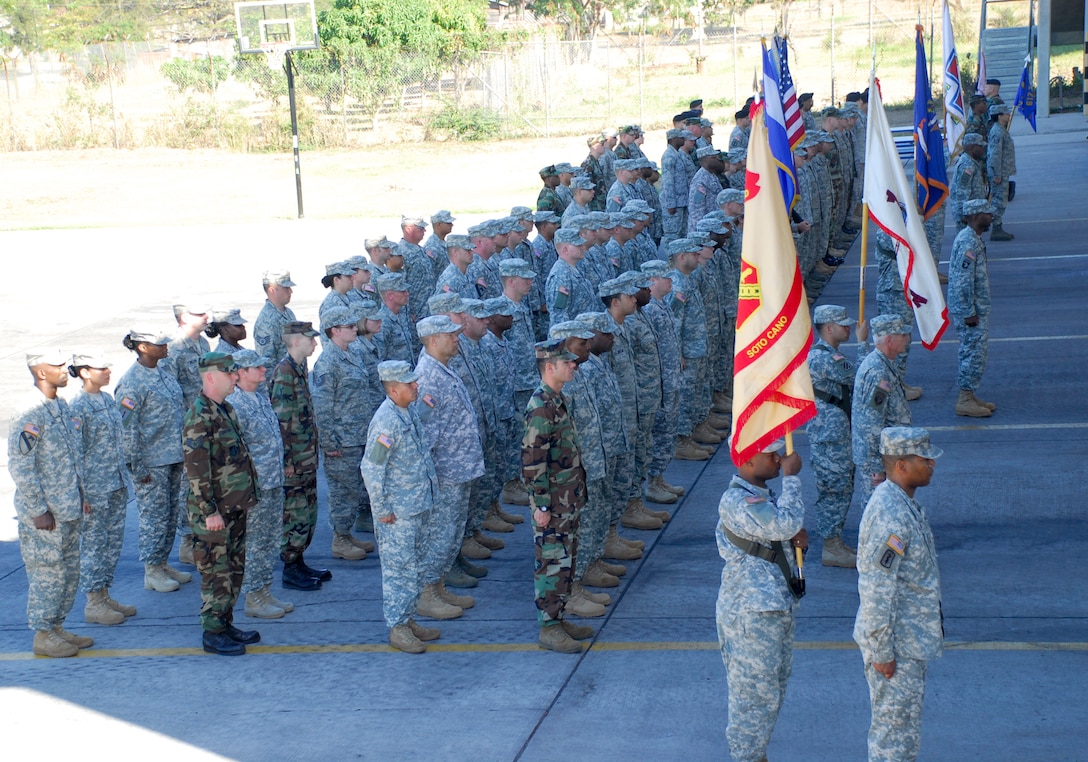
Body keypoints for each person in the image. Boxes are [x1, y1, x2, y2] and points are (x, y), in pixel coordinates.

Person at [855, 426, 944, 762]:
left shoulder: (903, 504)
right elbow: (876, 587)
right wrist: (881, 651)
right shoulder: (891, 515)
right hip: (896, 647)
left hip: (909, 641)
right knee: (893, 739)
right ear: (901, 466)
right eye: (925, 460)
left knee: (903, 736)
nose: (932, 464)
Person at [715, 438, 808, 762]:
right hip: (751, 613)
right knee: (754, 698)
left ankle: (754, 754)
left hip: (771, 608)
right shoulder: (738, 500)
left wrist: (797, 543)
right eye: (769, 452)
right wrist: (792, 478)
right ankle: (747, 757)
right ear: (747, 461)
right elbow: (784, 523)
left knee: (770, 692)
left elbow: (781, 534)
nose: (778, 456)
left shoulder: (760, 497)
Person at [8, 350, 92, 657]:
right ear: (41, 372)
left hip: (68, 507)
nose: (63, 370)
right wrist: (37, 509)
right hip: (47, 514)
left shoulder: (59, 405)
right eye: (56, 366)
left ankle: (57, 627)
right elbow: (21, 464)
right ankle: (43, 634)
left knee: (68, 572)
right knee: (47, 572)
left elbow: (71, 458)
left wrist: (81, 496)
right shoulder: (30, 411)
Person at [361, 360, 442, 653]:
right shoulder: (386, 421)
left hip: (418, 505)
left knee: (416, 568)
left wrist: (428, 405)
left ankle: (408, 620)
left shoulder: (406, 412)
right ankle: (397, 627)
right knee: (400, 571)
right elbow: (371, 468)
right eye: (410, 384)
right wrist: (381, 508)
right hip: (398, 514)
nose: (416, 386)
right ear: (394, 389)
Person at [183, 352, 260, 656]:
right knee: (216, 573)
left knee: (233, 569)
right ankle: (212, 632)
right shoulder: (199, 416)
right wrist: (209, 511)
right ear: (212, 377)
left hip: (233, 507)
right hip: (214, 514)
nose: (235, 378)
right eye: (230, 374)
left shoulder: (224, 409)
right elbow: (197, 470)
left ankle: (225, 622)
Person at [523, 338, 596, 653]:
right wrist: (541, 502)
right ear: (550, 367)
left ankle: (558, 616)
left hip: (567, 498)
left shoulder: (556, 399)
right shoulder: (541, 404)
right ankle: (549, 627)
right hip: (553, 502)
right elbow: (532, 458)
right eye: (568, 362)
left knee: (565, 559)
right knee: (552, 562)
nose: (574, 365)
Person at [413, 314, 482, 614]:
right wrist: (431, 478)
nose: (457, 338)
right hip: (445, 473)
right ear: (433, 340)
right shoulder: (427, 378)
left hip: (459, 469)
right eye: (450, 334)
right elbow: (424, 435)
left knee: (452, 533)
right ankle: (427, 594)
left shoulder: (443, 370)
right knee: (439, 534)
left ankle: (438, 586)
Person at [115, 329, 191, 593]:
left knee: (171, 515)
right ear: (143, 347)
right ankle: (151, 570)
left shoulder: (163, 374)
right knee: (154, 517)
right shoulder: (132, 382)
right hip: (151, 462)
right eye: (160, 343)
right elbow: (127, 429)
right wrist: (137, 466)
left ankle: (162, 562)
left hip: (173, 457)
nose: (166, 346)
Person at [69, 353, 135, 626]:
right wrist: (81, 492)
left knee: (111, 544)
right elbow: (75, 452)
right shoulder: (78, 407)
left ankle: (105, 594)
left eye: (109, 367)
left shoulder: (107, 400)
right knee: (95, 546)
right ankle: (93, 602)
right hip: (95, 488)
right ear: (85, 372)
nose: (108, 371)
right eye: (101, 368)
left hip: (115, 483)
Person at [228, 350, 293, 619]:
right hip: (254, 486)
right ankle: (253, 595)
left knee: (269, 539)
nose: (263, 371)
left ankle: (265, 590)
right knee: (255, 542)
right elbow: (235, 451)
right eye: (256, 368)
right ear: (240, 372)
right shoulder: (235, 404)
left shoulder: (260, 396)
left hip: (273, 480)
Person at [312, 307, 377, 561]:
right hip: (342, 441)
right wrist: (329, 442)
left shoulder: (352, 354)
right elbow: (322, 406)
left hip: (358, 434)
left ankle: (347, 534)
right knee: (343, 491)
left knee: (355, 488)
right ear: (334, 331)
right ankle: (339, 538)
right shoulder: (328, 363)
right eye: (349, 326)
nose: (354, 328)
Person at [807, 305, 870, 568]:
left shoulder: (831, 355)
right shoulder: (824, 358)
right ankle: (831, 547)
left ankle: (836, 542)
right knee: (834, 490)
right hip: (830, 438)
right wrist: (863, 343)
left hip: (835, 434)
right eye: (843, 324)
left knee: (841, 488)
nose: (848, 327)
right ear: (828, 328)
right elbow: (864, 377)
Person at [270, 321, 329, 591]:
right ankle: (291, 568)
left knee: (307, 512)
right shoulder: (284, 373)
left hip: (305, 458)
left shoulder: (298, 368)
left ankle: (299, 561)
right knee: (295, 514)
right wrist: (288, 462)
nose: (314, 343)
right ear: (296, 341)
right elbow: (282, 421)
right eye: (310, 339)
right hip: (295, 461)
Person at [852, 315, 913, 505]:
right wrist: (877, 466)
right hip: (881, 459)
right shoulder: (878, 372)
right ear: (889, 340)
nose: (907, 339)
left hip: (888, 455)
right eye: (903, 335)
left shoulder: (883, 364)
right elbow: (871, 421)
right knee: (879, 508)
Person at [949, 199, 997, 418]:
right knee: (973, 353)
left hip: (974, 307)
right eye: (988, 213)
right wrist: (969, 312)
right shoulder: (968, 242)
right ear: (977, 216)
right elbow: (962, 280)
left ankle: (970, 394)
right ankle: (965, 399)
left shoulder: (972, 239)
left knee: (976, 352)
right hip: (970, 311)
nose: (992, 217)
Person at [253, 269, 298, 368]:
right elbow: (267, 362)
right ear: (272, 290)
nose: (291, 291)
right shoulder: (266, 320)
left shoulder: (288, 313)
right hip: (282, 381)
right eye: (286, 288)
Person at [986, 104, 1016, 241]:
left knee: (1000, 201)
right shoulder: (997, 132)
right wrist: (997, 174)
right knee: (999, 202)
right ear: (999, 116)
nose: (1008, 115)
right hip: (999, 173)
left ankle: (994, 225)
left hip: (1002, 171)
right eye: (1006, 113)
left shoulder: (1000, 130)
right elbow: (995, 155)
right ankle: (995, 228)